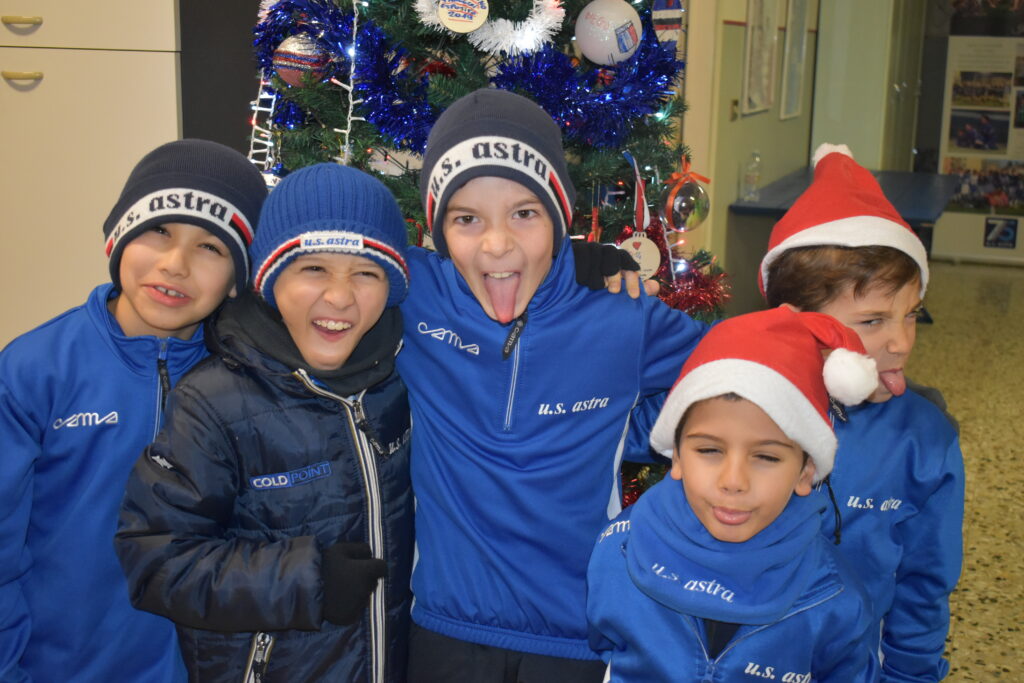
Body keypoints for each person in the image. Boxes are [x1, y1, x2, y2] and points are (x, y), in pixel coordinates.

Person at [400, 88, 708, 682]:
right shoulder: (415, 295)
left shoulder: (620, 315)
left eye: (524, 213)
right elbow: (322, 268)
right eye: (467, 219)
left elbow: (730, 371)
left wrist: (631, 429)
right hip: (443, 630)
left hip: (576, 640)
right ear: (438, 230)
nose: (497, 244)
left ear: (558, 216)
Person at [114, 163, 414, 682]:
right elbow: (156, 561)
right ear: (270, 283)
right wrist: (307, 580)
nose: (340, 297)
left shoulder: (401, 378)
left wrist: (583, 265)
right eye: (313, 269)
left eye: (366, 273)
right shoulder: (214, 400)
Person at [0, 139, 267, 681]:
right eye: (158, 231)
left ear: (237, 278)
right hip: (57, 666)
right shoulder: (34, 370)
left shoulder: (247, 379)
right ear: (118, 238)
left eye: (211, 248)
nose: (176, 264)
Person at [759, 143, 965, 681]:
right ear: (794, 321)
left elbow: (925, 584)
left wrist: (911, 676)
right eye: (872, 321)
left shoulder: (924, 440)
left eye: (911, 315)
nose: (900, 342)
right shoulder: (744, 408)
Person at [587, 306, 882, 681]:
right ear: (675, 455)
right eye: (709, 450)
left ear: (807, 470)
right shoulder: (620, 553)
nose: (733, 481)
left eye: (766, 456)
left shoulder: (834, 599)